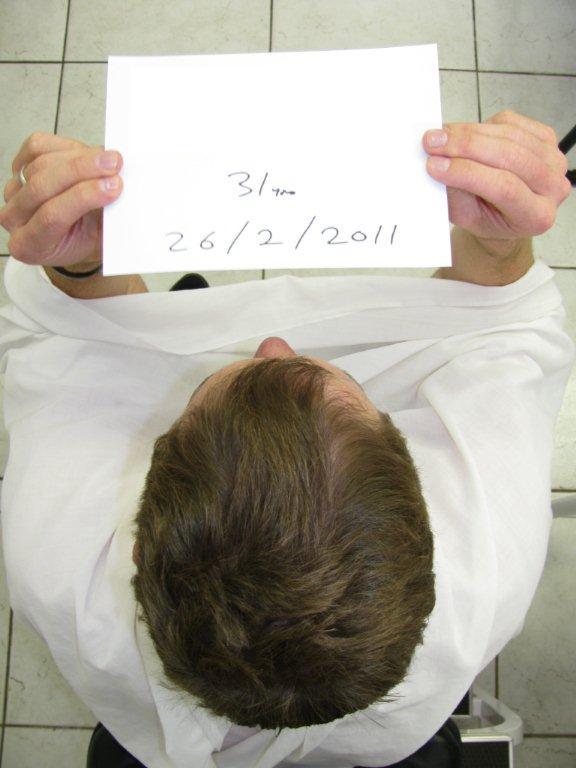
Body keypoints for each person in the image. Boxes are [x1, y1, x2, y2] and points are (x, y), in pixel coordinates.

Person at [0, 110, 572, 768]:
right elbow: (506, 328)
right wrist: (498, 243)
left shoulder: (57, 557)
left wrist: (84, 262)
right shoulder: (488, 557)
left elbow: (75, 340)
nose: (273, 343)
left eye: (209, 392)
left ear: (137, 536)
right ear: (422, 497)